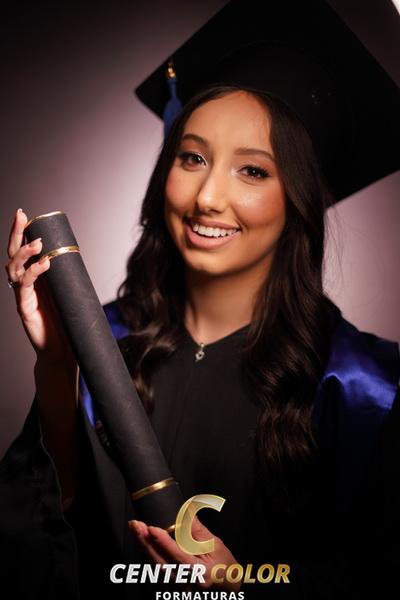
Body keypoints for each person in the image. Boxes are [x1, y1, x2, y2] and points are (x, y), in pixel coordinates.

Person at [1, 1, 399, 599]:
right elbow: (44, 536)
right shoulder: (105, 342)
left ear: (300, 199)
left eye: (253, 171)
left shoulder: (364, 386)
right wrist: (58, 364)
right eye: (192, 158)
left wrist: (240, 587)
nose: (207, 196)